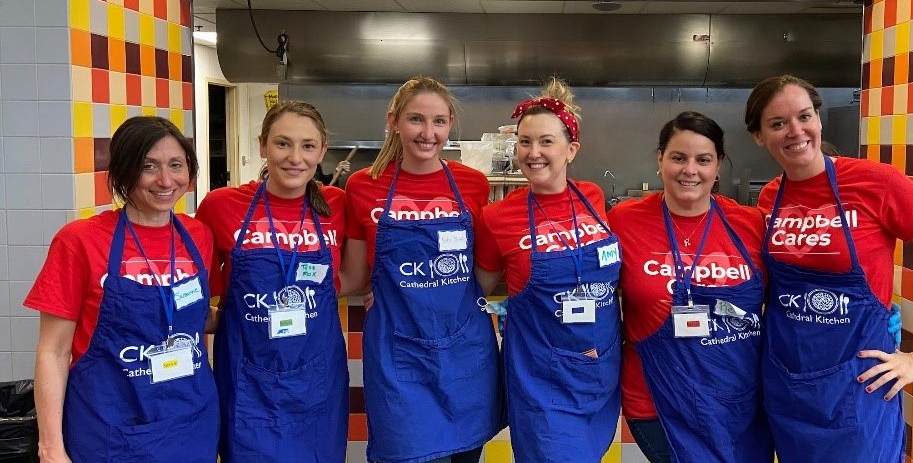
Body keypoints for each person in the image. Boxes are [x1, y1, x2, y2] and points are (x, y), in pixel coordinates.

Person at [744, 75, 913, 462]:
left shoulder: (877, 182)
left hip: (860, 386)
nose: (795, 131)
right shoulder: (772, 196)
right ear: (758, 135)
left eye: (804, 116)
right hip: (788, 386)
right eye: (777, 123)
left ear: (818, 119)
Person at [26, 116, 219, 462]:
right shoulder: (80, 241)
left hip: (190, 422)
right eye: (149, 167)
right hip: (109, 427)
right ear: (123, 172)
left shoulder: (198, 237)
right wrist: (50, 446)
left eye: (177, 165)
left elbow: (195, 318)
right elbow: (53, 351)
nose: (165, 180)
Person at [342, 77, 503, 463]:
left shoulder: (473, 184)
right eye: (416, 119)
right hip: (397, 352)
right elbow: (355, 274)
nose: (428, 133)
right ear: (394, 121)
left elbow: (486, 265)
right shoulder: (363, 186)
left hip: (465, 348)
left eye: (439, 122)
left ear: (449, 125)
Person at [609, 111, 773, 463]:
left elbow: (787, 294)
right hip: (658, 401)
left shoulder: (750, 223)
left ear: (718, 166)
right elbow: (586, 280)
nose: (690, 170)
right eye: (678, 158)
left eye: (703, 160)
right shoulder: (624, 221)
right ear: (660, 160)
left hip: (741, 401)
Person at [474, 78, 621, 463]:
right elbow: (477, 288)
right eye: (525, 142)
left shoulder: (592, 197)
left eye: (546, 142)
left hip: (598, 370)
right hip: (541, 379)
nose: (533, 153)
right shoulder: (497, 217)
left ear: (571, 150)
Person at [195, 101, 348, 461]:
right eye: (282, 143)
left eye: (308, 146)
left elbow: (356, 274)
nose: (295, 157)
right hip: (247, 381)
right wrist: (217, 318)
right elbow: (195, 291)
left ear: (322, 151)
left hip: (318, 378)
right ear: (262, 145)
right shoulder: (221, 206)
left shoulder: (336, 204)